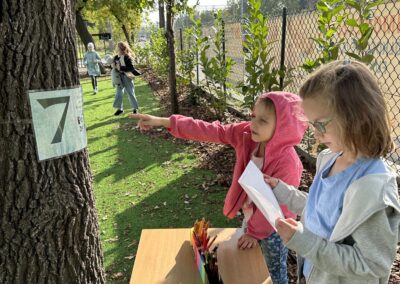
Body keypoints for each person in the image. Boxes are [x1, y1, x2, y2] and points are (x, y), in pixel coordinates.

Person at [129, 92, 308, 284]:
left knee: (274, 273)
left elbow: (279, 209)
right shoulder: (246, 134)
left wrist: (254, 233)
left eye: (263, 121)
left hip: (274, 228)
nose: (253, 124)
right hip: (251, 219)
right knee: (247, 266)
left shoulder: (288, 162)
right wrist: (164, 122)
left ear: (283, 127)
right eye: (253, 116)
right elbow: (212, 131)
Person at [264, 60, 400, 284]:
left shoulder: (373, 189)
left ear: (354, 117)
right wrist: (283, 192)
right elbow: (322, 209)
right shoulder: (329, 159)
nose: (315, 135)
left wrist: (305, 242)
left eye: (319, 124)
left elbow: (373, 266)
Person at [112, 42, 139, 116]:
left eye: (119, 47)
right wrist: (113, 66)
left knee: (130, 93)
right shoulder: (116, 57)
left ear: (122, 48)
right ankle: (120, 109)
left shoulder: (127, 57)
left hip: (127, 77)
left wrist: (121, 68)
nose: (118, 49)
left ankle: (134, 109)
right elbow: (114, 67)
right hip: (118, 77)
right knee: (119, 93)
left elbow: (131, 68)